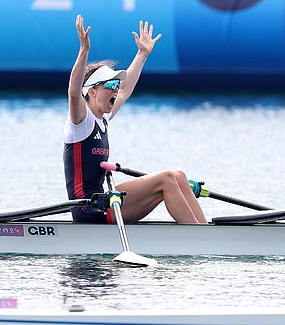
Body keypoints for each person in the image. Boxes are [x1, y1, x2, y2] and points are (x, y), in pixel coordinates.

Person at [63, 15, 207, 224]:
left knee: (178, 176)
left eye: (115, 85)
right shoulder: (80, 121)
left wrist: (142, 54)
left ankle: (202, 230)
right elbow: (74, 93)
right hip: (88, 209)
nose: (116, 90)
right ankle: (200, 240)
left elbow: (126, 88)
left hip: (104, 200)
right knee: (167, 179)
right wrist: (84, 50)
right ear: (92, 92)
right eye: (110, 86)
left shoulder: (103, 117)